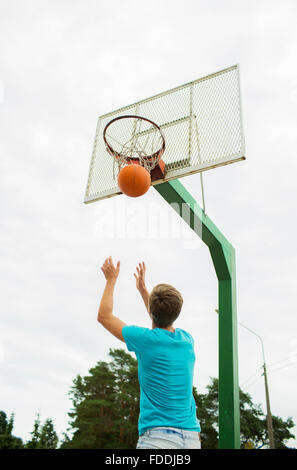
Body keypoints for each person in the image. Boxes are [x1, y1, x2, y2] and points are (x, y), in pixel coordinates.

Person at [97, 256, 201, 449]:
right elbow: (159, 320)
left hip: (158, 440)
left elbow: (104, 316)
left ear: (152, 312)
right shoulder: (187, 341)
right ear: (177, 312)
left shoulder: (145, 340)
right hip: (191, 439)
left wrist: (111, 280)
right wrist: (144, 291)